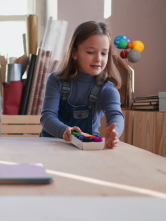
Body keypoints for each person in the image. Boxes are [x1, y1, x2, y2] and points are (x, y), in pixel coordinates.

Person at [40, 21, 124, 149]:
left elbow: (116, 115)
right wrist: (66, 131)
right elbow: (47, 117)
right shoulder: (55, 80)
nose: (98, 59)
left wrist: (114, 133)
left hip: (87, 149)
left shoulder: (107, 89)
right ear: (74, 53)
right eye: (91, 52)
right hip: (51, 145)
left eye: (103, 53)